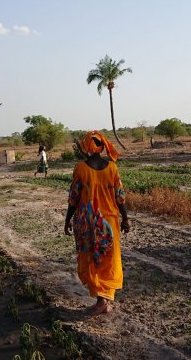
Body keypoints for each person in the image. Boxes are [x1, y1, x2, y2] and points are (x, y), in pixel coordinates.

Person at [64, 131, 130, 315]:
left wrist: (67, 219)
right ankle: (105, 300)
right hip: (110, 221)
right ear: (102, 147)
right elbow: (120, 197)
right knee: (108, 259)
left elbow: (74, 198)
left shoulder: (81, 169)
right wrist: (125, 218)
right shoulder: (112, 168)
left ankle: (102, 301)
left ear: (85, 147)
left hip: (88, 222)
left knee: (92, 259)